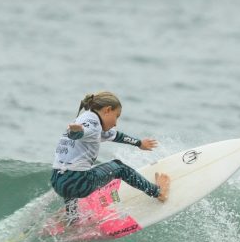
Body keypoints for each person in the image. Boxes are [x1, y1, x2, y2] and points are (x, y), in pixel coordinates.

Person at [50, 91, 170, 223]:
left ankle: (72, 219)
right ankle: (158, 192)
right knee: (119, 168)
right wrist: (76, 132)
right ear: (107, 110)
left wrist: (139, 143)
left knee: (77, 171)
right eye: (116, 116)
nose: (115, 123)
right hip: (78, 183)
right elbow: (82, 132)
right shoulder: (93, 126)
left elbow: (115, 135)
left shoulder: (87, 119)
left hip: (58, 181)